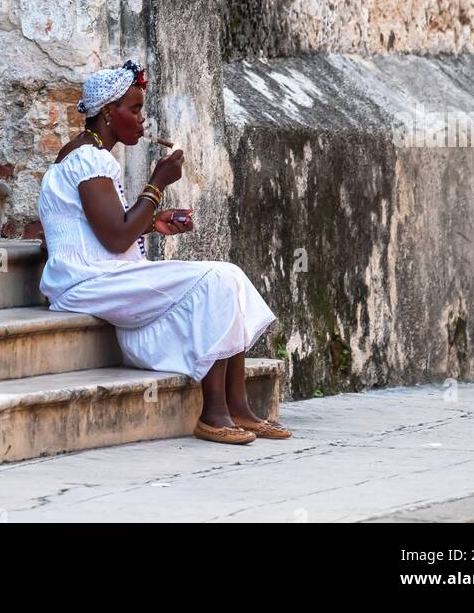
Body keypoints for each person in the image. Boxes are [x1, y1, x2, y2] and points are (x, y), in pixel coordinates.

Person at [36, 58, 292, 444]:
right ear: (109, 111)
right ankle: (214, 413)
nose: (142, 120)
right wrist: (157, 183)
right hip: (87, 283)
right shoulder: (90, 158)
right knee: (216, 278)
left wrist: (153, 221)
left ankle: (238, 407)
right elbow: (117, 239)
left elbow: (100, 228)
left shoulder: (82, 155)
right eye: (135, 109)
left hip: (103, 276)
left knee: (230, 275)